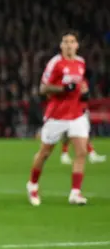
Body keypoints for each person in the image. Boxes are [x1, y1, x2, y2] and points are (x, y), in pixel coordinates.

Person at [27, 30, 89, 206]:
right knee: (45, 153)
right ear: (61, 45)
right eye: (65, 42)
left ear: (77, 45)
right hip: (57, 115)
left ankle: (75, 193)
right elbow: (43, 88)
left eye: (72, 42)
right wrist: (63, 89)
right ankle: (32, 184)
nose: (69, 45)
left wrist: (83, 90)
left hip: (77, 114)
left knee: (81, 151)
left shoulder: (81, 63)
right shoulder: (56, 63)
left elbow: (80, 83)